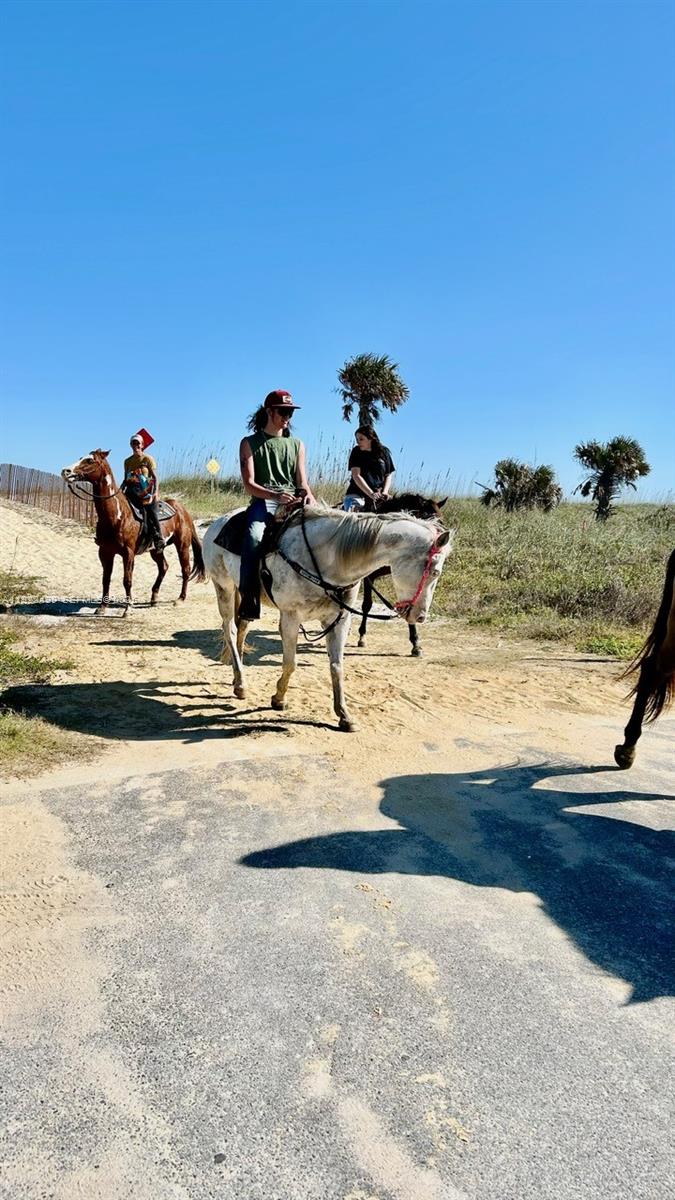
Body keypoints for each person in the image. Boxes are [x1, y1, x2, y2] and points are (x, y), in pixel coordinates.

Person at [238, 390, 316, 620]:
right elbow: (249, 484)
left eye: (290, 412)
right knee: (253, 538)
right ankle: (249, 598)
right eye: (283, 411)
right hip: (264, 502)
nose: (287, 416)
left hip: (294, 500)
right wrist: (275, 495)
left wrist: (309, 495)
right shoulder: (249, 443)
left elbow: (302, 481)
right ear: (269, 411)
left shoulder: (297, 445)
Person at [123, 433, 166, 551]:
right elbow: (125, 479)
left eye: (138, 443)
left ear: (142, 445)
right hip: (131, 491)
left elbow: (155, 478)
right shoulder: (127, 461)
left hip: (145, 491)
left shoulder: (148, 459)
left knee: (151, 510)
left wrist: (156, 492)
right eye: (133, 443)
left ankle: (158, 537)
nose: (135, 445)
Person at [342, 425, 395, 511]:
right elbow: (356, 475)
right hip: (357, 494)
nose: (358, 442)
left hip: (379, 494)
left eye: (361, 439)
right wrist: (371, 493)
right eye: (357, 440)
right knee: (351, 515)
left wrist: (385, 492)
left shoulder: (384, 452)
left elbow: (388, 475)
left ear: (370, 438)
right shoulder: (356, 452)